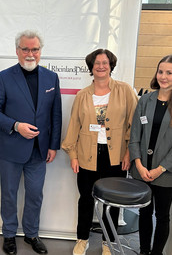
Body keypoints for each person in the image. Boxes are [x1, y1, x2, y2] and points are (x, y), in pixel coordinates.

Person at [0, 30, 62, 255]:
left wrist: (53, 145)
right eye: (26, 49)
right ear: (17, 51)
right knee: (9, 194)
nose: (30, 54)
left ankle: (31, 234)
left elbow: (55, 114)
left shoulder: (51, 78)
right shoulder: (3, 77)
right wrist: (16, 125)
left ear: (40, 51)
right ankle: (9, 234)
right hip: (11, 148)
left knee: (35, 194)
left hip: (39, 150)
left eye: (35, 49)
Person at [62, 49, 137, 255]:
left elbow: (135, 124)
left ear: (111, 65)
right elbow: (73, 127)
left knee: (112, 202)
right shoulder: (82, 95)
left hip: (116, 156)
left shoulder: (125, 91)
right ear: (91, 67)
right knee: (86, 198)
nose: (101, 66)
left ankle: (108, 242)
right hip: (87, 155)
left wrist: (129, 153)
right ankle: (82, 239)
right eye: (97, 63)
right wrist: (73, 155)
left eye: (105, 62)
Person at [129, 55, 172, 255]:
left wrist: (159, 169)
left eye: (169, 73)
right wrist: (138, 164)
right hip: (142, 169)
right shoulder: (146, 99)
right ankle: (144, 251)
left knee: (162, 216)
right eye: (160, 71)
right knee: (144, 212)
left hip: (165, 173)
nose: (163, 76)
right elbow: (135, 134)